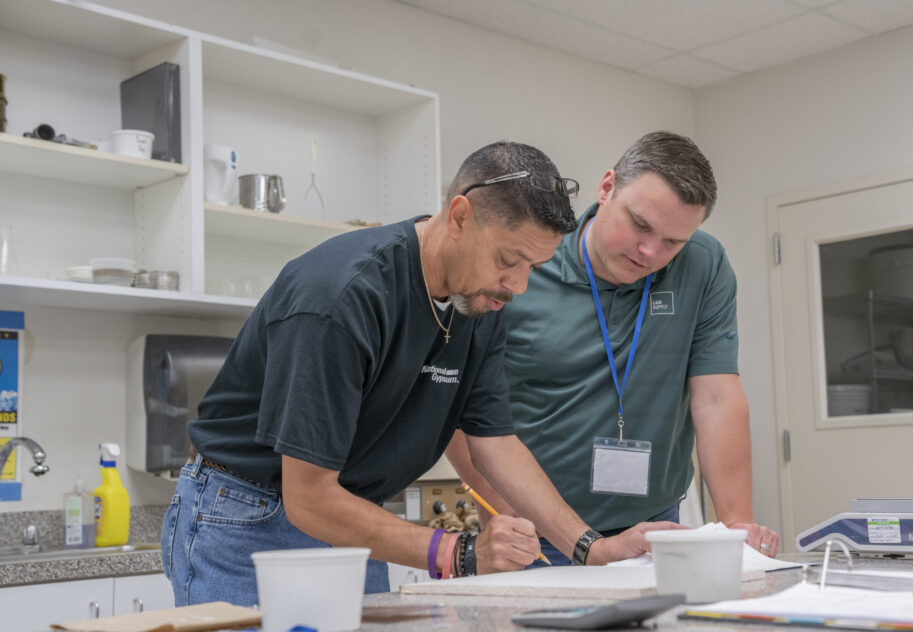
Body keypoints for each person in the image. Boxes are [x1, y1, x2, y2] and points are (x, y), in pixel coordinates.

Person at [162, 140, 680, 607]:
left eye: (534, 268)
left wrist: (589, 546)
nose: (518, 285)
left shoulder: (481, 301)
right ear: (459, 216)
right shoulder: (343, 296)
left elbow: (495, 442)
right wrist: (458, 553)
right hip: (248, 516)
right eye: (509, 260)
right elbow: (309, 496)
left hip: (351, 515)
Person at [446, 132, 779, 565]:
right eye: (640, 225)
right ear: (606, 188)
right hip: (535, 531)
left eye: (672, 242)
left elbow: (718, 398)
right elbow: (456, 408)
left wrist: (737, 531)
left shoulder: (703, 265)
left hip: (654, 526)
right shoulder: (524, 263)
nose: (649, 251)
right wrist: (506, 516)